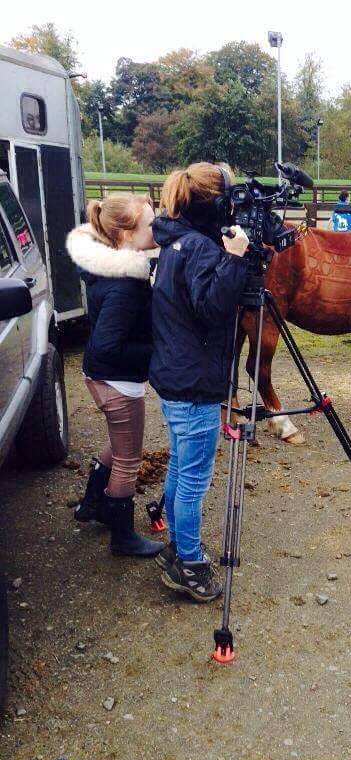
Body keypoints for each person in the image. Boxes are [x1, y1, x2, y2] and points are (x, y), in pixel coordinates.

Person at [150, 162, 249, 603]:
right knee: (193, 480)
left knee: (178, 468)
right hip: (194, 384)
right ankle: (189, 563)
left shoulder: (174, 241)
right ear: (214, 203)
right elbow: (213, 309)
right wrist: (235, 260)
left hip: (175, 376)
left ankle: (177, 548)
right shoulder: (201, 249)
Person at [67, 195, 164, 558]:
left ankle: (92, 505)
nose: (157, 229)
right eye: (150, 225)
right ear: (124, 234)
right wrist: (158, 352)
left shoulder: (113, 269)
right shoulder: (125, 285)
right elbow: (108, 346)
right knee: (129, 459)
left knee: (119, 444)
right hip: (117, 382)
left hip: (105, 377)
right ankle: (122, 537)